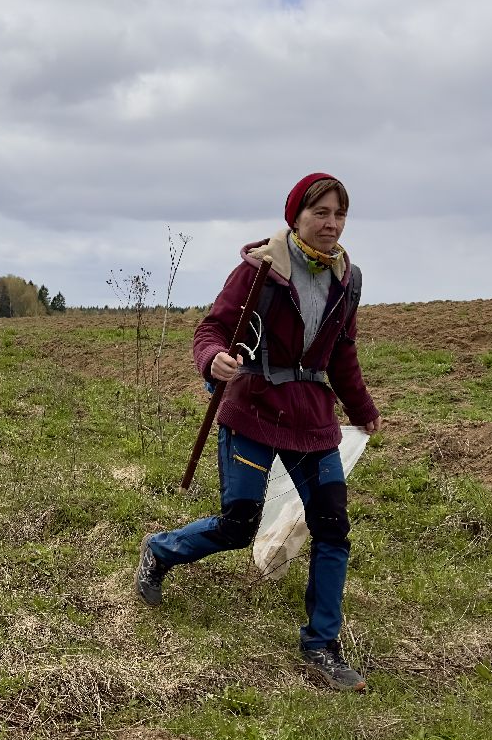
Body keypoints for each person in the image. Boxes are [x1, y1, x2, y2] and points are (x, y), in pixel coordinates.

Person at [137, 173, 383, 692]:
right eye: (320, 213)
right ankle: (160, 550)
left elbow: (342, 352)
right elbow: (212, 329)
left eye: (339, 214)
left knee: (332, 529)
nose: (331, 224)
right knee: (239, 524)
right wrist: (213, 359)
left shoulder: (347, 280)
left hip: (313, 420)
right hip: (252, 411)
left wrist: (361, 408)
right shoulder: (260, 271)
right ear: (296, 217)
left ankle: (321, 646)